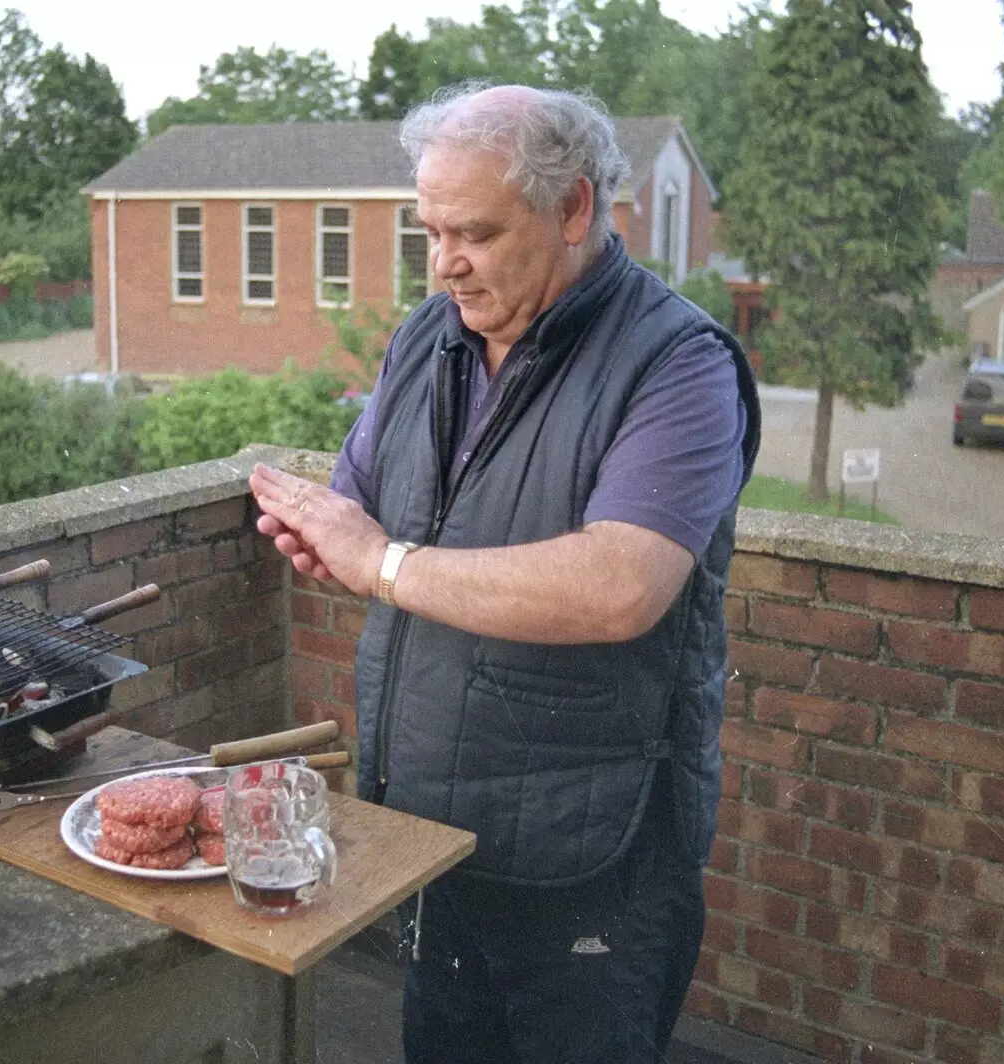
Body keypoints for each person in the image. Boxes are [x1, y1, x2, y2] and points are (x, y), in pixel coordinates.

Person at [250, 83, 760, 1064]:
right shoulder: (425, 338)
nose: (444, 263)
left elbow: (621, 584)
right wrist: (334, 541)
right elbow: (364, 510)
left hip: (590, 860)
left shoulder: (678, 365)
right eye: (429, 231)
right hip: (432, 834)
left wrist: (383, 560)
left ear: (574, 208)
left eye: (475, 232)